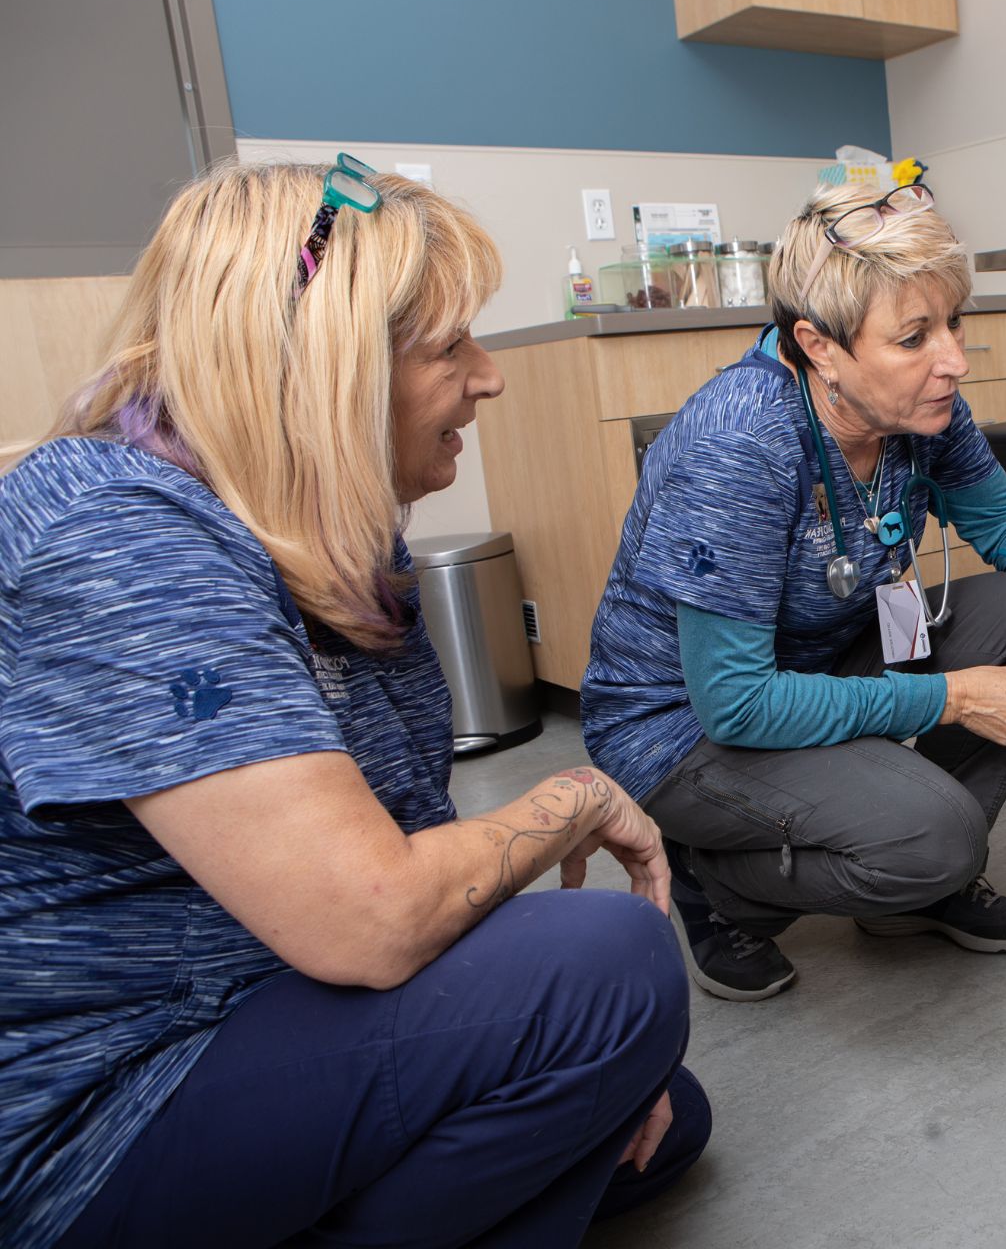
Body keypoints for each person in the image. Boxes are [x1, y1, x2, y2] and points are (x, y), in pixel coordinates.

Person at [0, 161, 708, 1249]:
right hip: (101, 1094)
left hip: (253, 1000)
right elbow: (374, 918)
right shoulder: (117, 533)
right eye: (449, 345)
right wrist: (571, 799)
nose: (489, 376)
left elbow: (408, 824)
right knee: (609, 975)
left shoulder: (333, 537)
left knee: (658, 1099)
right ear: (321, 368)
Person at [581, 181, 1006, 1002]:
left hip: (816, 662)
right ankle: (720, 888)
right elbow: (733, 702)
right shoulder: (739, 447)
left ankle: (910, 892)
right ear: (821, 346)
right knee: (939, 838)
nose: (952, 359)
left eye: (954, 324)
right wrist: (951, 698)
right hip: (684, 727)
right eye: (915, 337)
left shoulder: (916, 408)